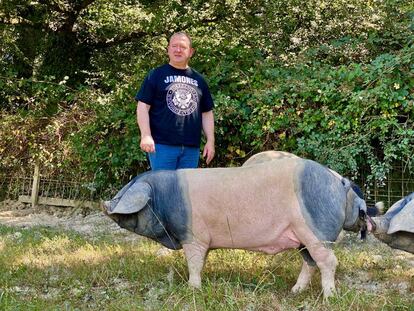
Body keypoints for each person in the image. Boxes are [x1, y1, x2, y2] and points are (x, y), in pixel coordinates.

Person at [135, 32, 215, 170]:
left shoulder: (199, 80)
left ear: (191, 52)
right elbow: (143, 106)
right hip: (162, 147)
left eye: (183, 47)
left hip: (191, 149)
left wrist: (211, 141)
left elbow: (207, 113)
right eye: (174, 46)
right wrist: (146, 135)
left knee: (185, 191)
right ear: (168, 49)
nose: (178, 50)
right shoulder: (156, 75)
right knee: (164, 190)